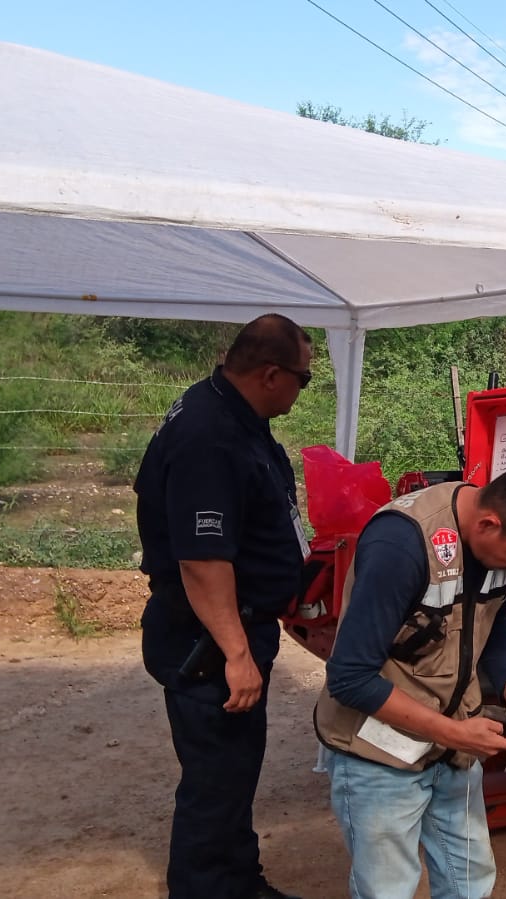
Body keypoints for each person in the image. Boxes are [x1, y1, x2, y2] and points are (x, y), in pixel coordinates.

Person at [315, 464, 506, 898]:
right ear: (488, 523)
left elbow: (492, 621)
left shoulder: (495, 542)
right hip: (380, 751)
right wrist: (456, 732)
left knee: (469, 880)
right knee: (387, 888)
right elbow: (349, 678)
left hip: (452, 748)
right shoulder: (400, 544)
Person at [136, 314, 316, 899]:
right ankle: (206, 887)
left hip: (231, 628)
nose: (301, 390)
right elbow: (202, 560)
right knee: (215, 779)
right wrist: (237, 652)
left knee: (233, 772)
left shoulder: (228, 413)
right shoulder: (210, 436)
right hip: (210, 637)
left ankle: (240, 880)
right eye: (303, 380)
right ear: (271, 374)